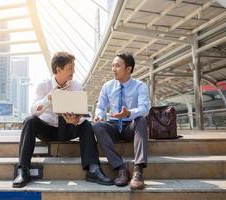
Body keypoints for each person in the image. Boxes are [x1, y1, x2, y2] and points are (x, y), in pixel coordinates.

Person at [13, 51, 113, 188]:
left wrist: (76, 120)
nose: (73, 72)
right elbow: (33, 110)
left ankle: (93, 168)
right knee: (30, 121)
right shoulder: (44, 85)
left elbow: (82, 113)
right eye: (70, 68)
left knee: (87, 125)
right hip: (47, 129)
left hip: (68, 128)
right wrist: (49, 98)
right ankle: (23, 170)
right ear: (58, 70)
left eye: (73, 68)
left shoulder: (76, 86)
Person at [93, 52, 149, 190]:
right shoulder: (107, 86)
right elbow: (100, 106)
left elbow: (144, 108)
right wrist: (99, 115)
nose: (113, 69)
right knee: (98, 125)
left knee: (141, 120)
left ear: (128, 69)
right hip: (113, 126)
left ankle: (138, 171)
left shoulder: (140, 86)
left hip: (130, 126)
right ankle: (121, 168)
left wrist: (129, 113)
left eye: (117, 66)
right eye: (113, 66)